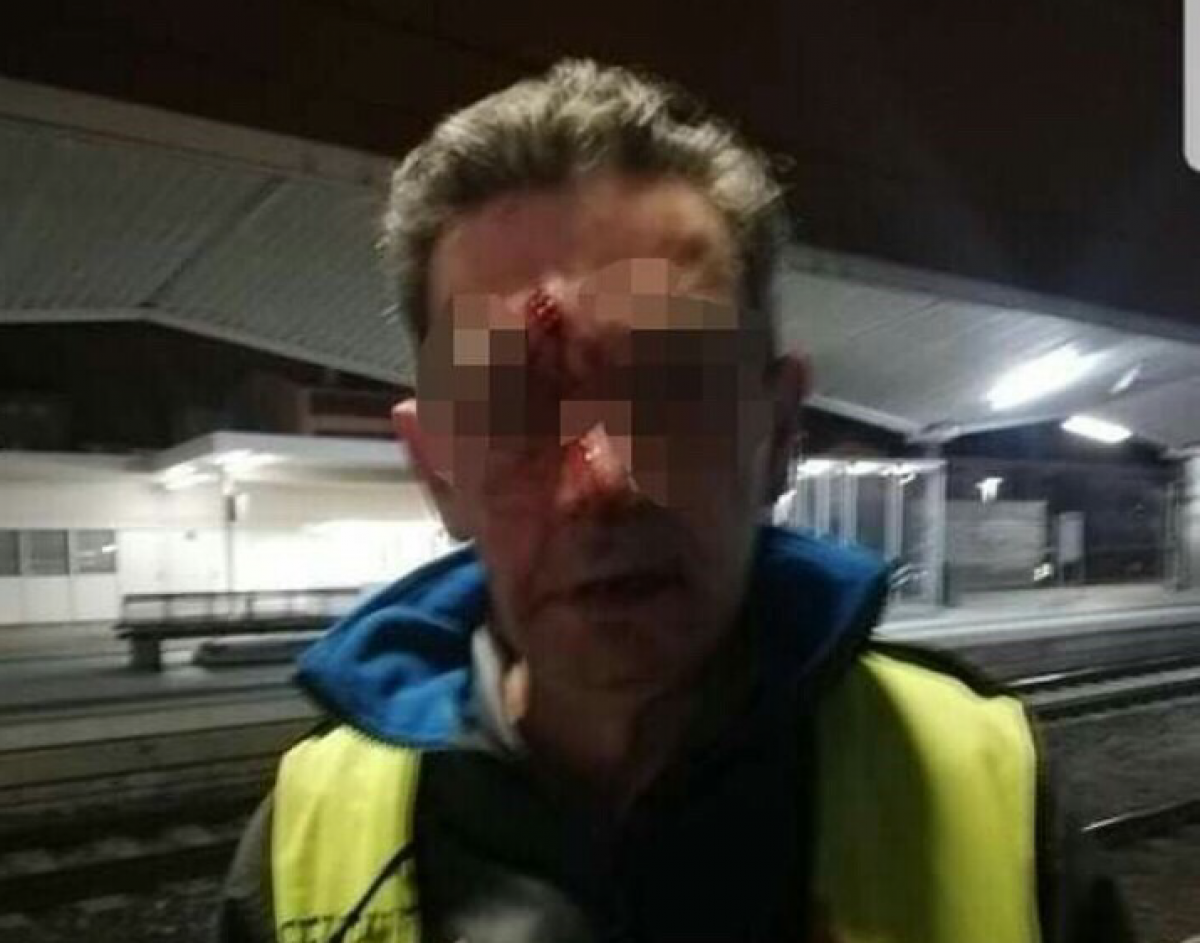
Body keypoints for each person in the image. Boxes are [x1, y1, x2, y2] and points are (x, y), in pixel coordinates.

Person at [218, 59, 1134, 943]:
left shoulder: (994, 791)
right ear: (438, 471)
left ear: (779, 431)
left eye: (674, 394)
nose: (604, 482)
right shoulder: (306, 845)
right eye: (515, 410)